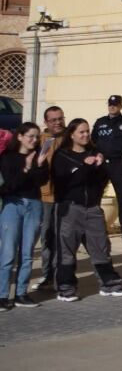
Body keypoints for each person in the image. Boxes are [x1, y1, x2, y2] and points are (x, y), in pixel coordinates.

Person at [52, 117, 122, 301]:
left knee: (100, 248)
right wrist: (84, 167)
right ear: (72, 134)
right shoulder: (62, 156)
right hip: (70, 209)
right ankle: (66, 288)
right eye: (81, 132)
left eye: (87, 131)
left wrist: (100, 166)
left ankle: (109, 284)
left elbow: (102, 181)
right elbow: (65, 184)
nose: (86, 135)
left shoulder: (96, 153)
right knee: (67, 251)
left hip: (92, 208)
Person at [0, 123, 49, 309]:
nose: (34, 140)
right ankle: (3, 295)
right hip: (13, 204)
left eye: (37, 137)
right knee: (8, 253)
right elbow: (10, 185)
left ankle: (21, 293)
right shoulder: (8, 157)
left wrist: (39, 165)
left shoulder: (38, 156)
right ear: (19, 136)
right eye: (30, 136)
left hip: (34, 205)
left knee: (27, 253)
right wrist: (27, 168)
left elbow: (42, 181)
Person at [91, 96, 122, 241]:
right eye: (110, 105)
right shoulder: (100, 122)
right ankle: (97, 228)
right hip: (101, 165)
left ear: (121, 106)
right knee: (96, 196)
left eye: (115, 105)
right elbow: (93, 141)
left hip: (118, 163)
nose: (112, 107)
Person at [34, 106, 65, 295]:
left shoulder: (71, 138)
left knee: (64, 240)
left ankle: (62, 277)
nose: (58, 122)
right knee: (47, 238)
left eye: (60, 118)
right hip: (45, 197)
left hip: (66, 198)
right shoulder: (39, 140)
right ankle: (47, 276)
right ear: (46, 122)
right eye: (53, 120)